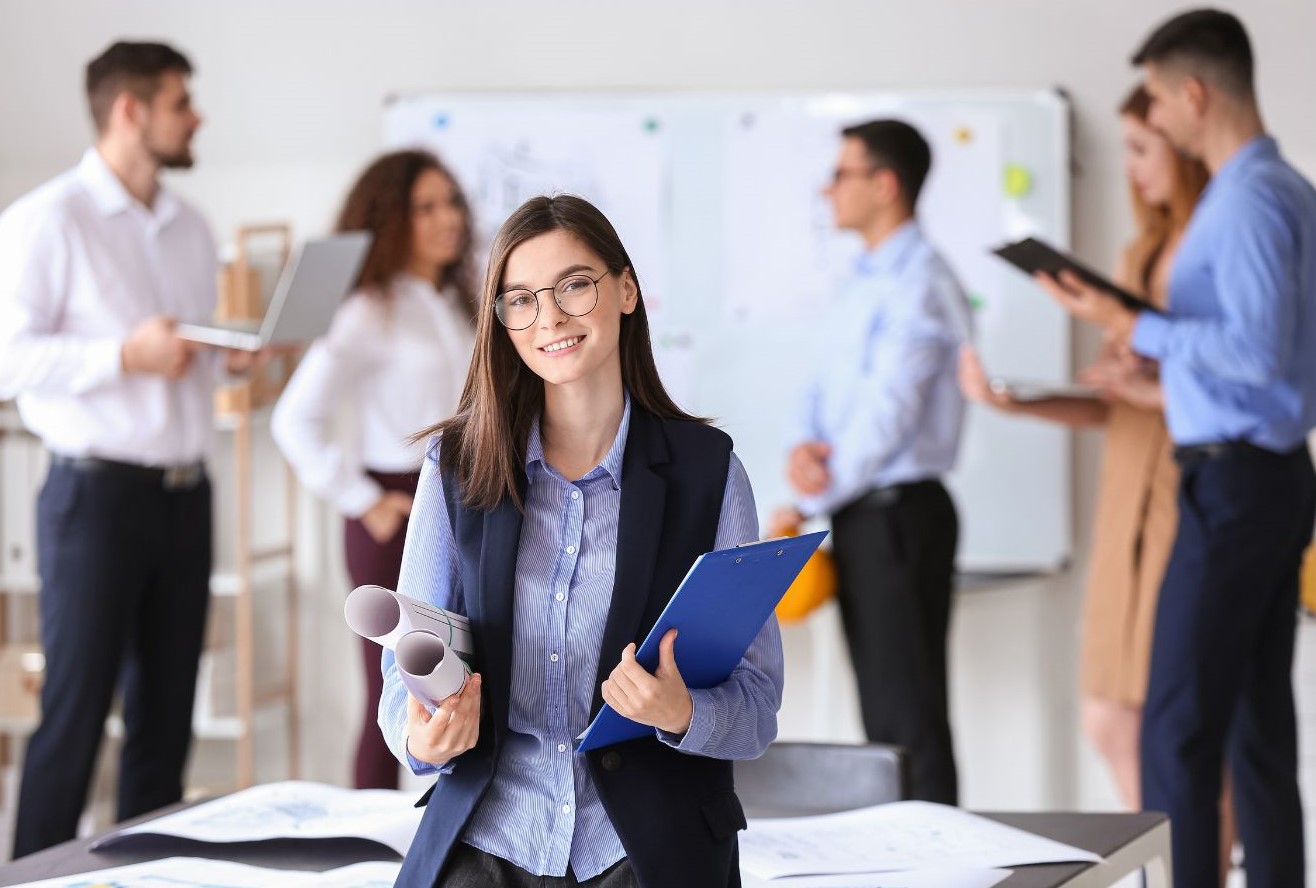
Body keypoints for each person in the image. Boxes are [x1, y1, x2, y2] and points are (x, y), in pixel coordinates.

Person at [378, 195, 783, 888]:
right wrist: (421, 739)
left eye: (573, 285)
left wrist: (681, 714)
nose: (550, 318)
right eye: (521, 299)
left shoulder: (708, 473)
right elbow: (403, 681)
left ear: (626, 291)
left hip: (645, 853)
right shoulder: (457, 468)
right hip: (489, 843)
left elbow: (756, 705)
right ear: (501, 321)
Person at [1037, 10, 1316, 886]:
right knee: (1252, 725)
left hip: (1236, 485)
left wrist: (1134, 322)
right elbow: (1258, 362)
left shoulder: (1250, 201)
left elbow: (1254, 352)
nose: (1153, 117)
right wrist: (1153, 361)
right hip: (1257, 474)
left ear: (1192, 94)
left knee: (1178, 726)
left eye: (1155, 98)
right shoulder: (1277, 191)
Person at [0, 41, 255, 856]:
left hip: (186, 494)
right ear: (130, 111)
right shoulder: (48, 220)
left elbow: (181, 353)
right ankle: (34, 877)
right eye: (182, 102)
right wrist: (122, 355)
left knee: (166, 719)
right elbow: (9, 359)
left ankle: (148, 875)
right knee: (75, 712)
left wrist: (226, 355)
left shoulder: (191, 227)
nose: (197, 116)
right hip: (95, 499)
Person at [962, 83, 1208, 810]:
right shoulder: (1139, 255)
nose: (1131, 169)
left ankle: (1192, 861)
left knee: (1182, 724)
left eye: (1142, 149)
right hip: (1125, 499)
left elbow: (1232, 380)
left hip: (1185, 491)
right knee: (1110, 717)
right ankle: (1170, 856)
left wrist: (1150, 381)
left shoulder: (1211, 253)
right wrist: (1014, 399)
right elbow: (1118, 407)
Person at [775, 119, 970, 804]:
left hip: (899, 517)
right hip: (863, 512)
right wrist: (803, 452)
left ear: (884, 185)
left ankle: (944, 873)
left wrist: (812, 495)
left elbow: (888, 416)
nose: (828, 189)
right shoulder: (863, 276)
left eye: (842, 173)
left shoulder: (918, 281)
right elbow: (823, 386)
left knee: (909, 719)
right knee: (886, 718)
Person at [271, 149, 476, 790]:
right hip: (395, 513)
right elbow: (293, 419)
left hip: (462, 505)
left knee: (464, 691)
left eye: (452, 203)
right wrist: (362, 498)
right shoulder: (367, 309)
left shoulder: (454, 304)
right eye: (426, 207)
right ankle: (365, 856)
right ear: (392, 218)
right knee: (393, 699)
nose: (449, 219)